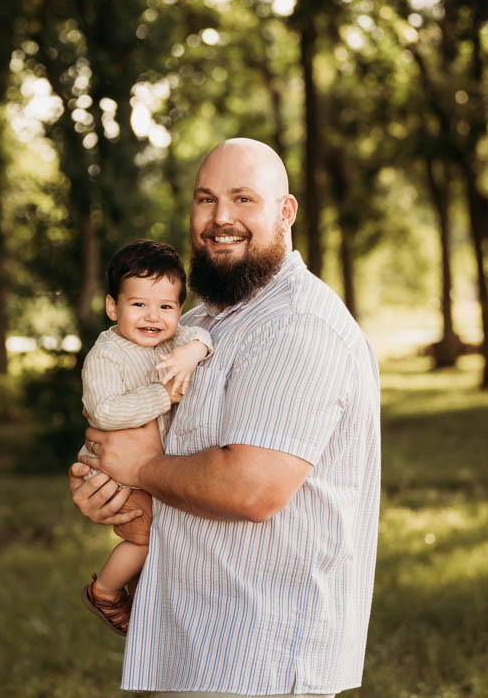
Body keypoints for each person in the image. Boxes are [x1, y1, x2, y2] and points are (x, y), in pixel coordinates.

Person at [70, 138, 381, 697]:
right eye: (205, 200)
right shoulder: (201, 321)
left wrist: (140, 469)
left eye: (243, 199)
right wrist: (111, 488)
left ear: (285, 212)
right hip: (198, 642)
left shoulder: (297, 327)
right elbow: (159, 451)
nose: (220, 219)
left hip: (261, 658)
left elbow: (249, 489)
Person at [78, 239, 213, 637]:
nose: (153, 316)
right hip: (113, 470)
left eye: (166, 307)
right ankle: (104, 592)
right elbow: (104, 412)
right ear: (112, 307)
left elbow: (205, 338)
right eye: (139, 305)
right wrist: (163, 395)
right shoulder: (107, 355)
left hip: (146, 464)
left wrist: (192, 353)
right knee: (147, 539)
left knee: (167, 532)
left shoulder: (173, 339)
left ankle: (154, 605)